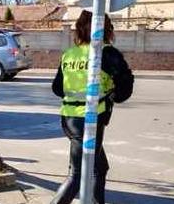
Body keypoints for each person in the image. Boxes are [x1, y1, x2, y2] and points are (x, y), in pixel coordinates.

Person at [50, 11, 134, 204]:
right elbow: (125, 87)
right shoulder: (106, 52)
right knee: (77, 175)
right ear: (106, 28)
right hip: (90, 121)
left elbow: (57, 88)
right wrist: (112, 94)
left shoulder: (70, 53)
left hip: (69, 119)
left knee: (99, 168)